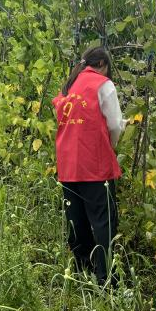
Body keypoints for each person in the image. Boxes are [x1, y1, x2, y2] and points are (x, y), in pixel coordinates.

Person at [52, 46, 125, 286]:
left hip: (68, 164)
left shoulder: (69, 86)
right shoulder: (103, 85)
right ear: (103, 63)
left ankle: (82, 271)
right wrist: (110, 145)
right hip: (94, 163)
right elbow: (115, 124)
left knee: (77, 219)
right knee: (104, 221)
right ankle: (106, 279)